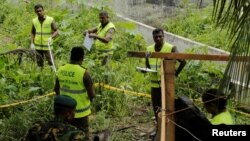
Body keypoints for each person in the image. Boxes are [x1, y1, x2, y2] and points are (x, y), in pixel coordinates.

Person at [145, 28, 186, 123]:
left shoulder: (171, 48)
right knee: (156, 108)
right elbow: (147, 65)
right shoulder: (149, 49)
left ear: (163, 36)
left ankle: (168, 129)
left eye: (160, 36)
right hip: (154, 86)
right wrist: (146, 64)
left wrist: (175, 74)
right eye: (156, 37)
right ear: (153, 38)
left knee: (167, 108)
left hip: (166, 85)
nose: (158, 38)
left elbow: (183, 62)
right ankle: (158, 128)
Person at [54, 46, 95, 141]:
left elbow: (56, 89)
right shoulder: (84, 73)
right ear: (82, 57)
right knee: (82, 137)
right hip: (80, 113)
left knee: (64, 136)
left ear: (70, 56)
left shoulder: (61, 69)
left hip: (64, 112)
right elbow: (92, 95)